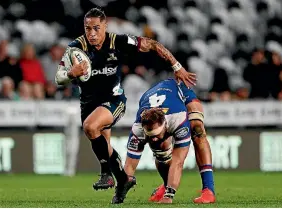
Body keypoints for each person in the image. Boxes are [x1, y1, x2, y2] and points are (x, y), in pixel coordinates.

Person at [55, 7, 196, 204]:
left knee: (90, 126)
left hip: (114, 100)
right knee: (102, 143)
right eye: (88, 29)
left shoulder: (118, 41)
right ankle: (122, 180)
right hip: (88, 103)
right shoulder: (75, 48)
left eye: (97, 28)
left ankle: (110, 174)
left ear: (105, 26)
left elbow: (152, 45)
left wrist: (177, 66)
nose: (92, 33)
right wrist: (71, 73)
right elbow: (58, 78)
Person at [124, 79, 216, 204]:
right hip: (155, 100)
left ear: (166, 126)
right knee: (160, 146)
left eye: (156, 134)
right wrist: (120, 191)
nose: (154, 138)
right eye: (150, 135)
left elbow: (178, 161)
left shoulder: (178, 118)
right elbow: (129, 165)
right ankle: (166, 184)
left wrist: (169, 196)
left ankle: (208, 190)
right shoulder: (138, 128)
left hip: (180, 92)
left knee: (197, 129)